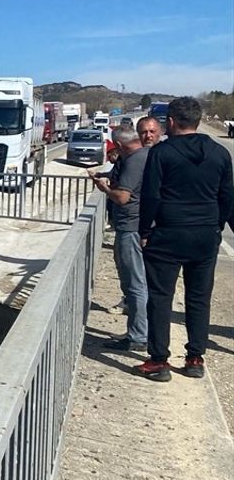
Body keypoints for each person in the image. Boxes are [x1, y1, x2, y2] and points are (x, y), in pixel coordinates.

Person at [134, 97, 234, 381]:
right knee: (199, 298)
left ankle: (158, 361)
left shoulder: (162, 153)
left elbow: (151, 197)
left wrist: (144, 232)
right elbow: (227, 197)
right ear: (199, 120)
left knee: (160, 297)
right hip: (205, 236)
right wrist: (216, 227)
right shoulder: (219, 153)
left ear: (173, 121)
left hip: (168, 233)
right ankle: (194, 358)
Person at [89, 126, 150, 352]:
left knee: (135, 284)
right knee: (137, 283)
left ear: (121, 146)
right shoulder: (146, 156)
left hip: (130, 228)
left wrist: (103, 187)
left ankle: (138, 336)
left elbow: (123, 197)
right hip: (136, 227)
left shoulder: (134, 161)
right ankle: (140, 332)